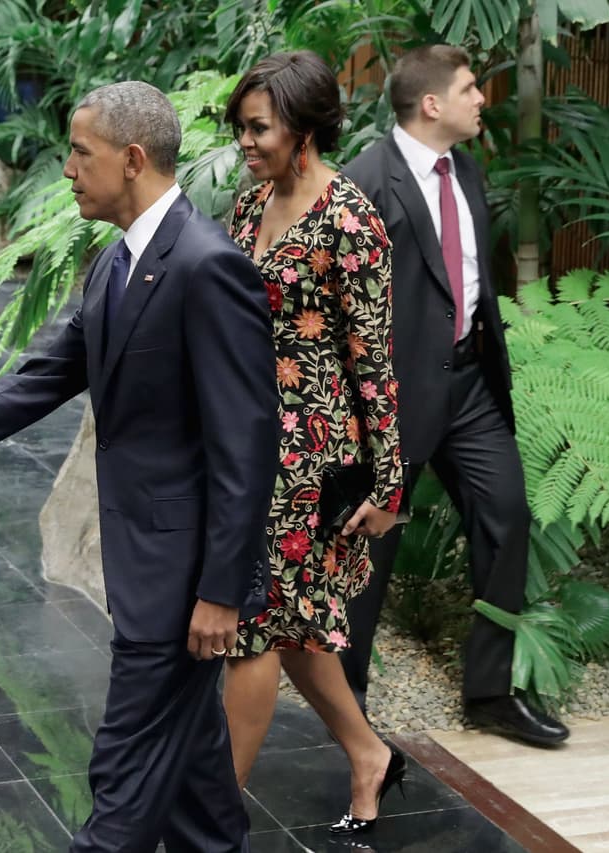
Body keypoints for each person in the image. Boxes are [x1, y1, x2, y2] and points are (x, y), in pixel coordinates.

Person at [0, 81, 279, 852]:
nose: (65, 170)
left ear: (130, 160)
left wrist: (222, 591)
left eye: (79, 153)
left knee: (121, 786)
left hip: (180, 580)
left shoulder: (206, 266)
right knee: (198, 797)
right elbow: (41, 378)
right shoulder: (115, 261)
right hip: (146, 566)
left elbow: (247, 442)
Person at [341, 45, 569, 746]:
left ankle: (491, 694)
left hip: (471, 383)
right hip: (397, 398)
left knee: (507, 515)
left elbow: (468, 278)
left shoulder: (466, 169)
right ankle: (348, 711)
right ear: (431, 103)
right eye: (470, 89)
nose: (482, 99)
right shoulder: (364, 182)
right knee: (367, 556)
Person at [221, 51, 408, 835]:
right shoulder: (248, 200)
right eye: (240, 127)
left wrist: (389, 485)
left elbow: (374, 358)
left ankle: (210, 810)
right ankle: (369, 754)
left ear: (303, 126)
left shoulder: (351, 220)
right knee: (295, 624)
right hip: (243, 436)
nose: (244, 142)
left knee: (255, 624)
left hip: (306, 453)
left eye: (257, 128)